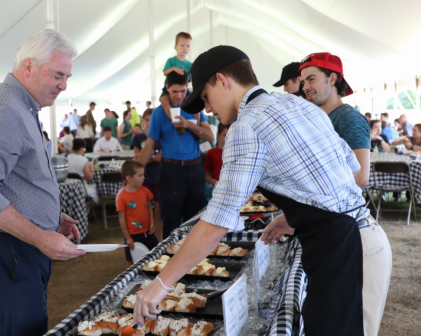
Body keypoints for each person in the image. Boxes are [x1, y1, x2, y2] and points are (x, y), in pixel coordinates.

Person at [133, 45, 392, 336]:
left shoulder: (247, 126)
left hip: (350, 252)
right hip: (360, 242)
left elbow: (216, 222)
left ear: (222, 79)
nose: (207, 108)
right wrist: (295, 215)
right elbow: (347, 170)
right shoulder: (295, 104)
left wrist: (161, 284)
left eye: (205, 96)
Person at [0, 29, 85, 335]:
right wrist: (41, 236)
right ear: (28, 67)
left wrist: (51, 217)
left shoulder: (20, 105)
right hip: (9, 246)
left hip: (16, 244)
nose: (64, 85)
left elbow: (16, 180)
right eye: (58, 75)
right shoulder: (6, 109)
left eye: (67, 76)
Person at [138, 71, 214, 238]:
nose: (179, 95)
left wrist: (188, 124)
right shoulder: (158, 113)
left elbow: (210, 136)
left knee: (194, 221)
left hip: (194, 169)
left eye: (183, 91)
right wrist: (135, 171)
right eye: (175, 92)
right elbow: (149, 144)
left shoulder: (194, 109)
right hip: (171, 170)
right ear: (167, 88)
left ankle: (193, 261)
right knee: (170, 222)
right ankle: (169, 261)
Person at [301, 52, 370, 188]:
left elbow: (361, 177)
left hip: (338, 208)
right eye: (303, 82)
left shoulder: (349, 118)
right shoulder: (317, 118)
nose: (304, 87)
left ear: (332, 79)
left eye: (311, 79)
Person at [117, 160, 157, 268]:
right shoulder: (122, 197)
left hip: (148, 233)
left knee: (156, 256)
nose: (143, 177)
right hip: (133, 236)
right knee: (132, 262)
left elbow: (149, 206)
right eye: (140, 175)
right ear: (129, 178)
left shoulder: (145, 191)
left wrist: (152, 222)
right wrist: (128, 238)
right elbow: (122, 219)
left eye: (143, 174)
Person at [132, 108, 163, 241]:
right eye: (147, 120)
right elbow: (137, 159)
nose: (150, 123)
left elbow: (162, 157)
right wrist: (152, 156)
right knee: (142, 211)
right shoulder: (138, 138)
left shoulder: (161, 137)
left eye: (153, 120)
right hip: (143, 178)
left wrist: (146, 157)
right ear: (142, 121)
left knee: (159, 212)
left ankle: (159, 240)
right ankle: (144, 240)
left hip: (159, 177)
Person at [160, 32, 197, 123]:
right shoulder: (171, 60)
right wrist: (173, 69)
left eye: (188, 46)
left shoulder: (190, 64)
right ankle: (175, 120)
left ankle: (198, 123)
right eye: (182, 45)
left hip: (184, 88)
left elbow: (190, 79)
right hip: (169, 88)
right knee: (164, 100)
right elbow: (165, 72)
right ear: (175, 47)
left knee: (194, 102)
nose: (185, 48)